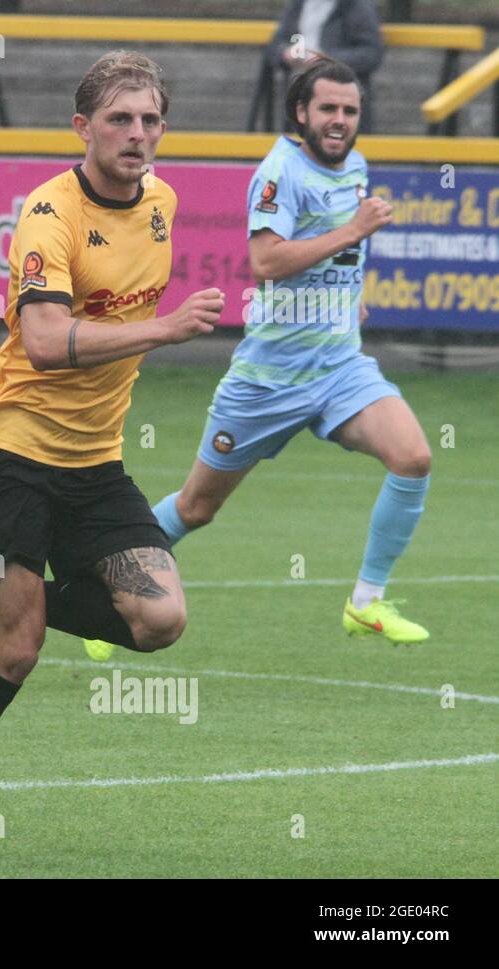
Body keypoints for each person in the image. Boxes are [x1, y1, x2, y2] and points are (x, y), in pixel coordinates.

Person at [0, 51, 224, 861]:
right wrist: (167, 328)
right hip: (8, 450)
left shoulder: (163, 202)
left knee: (160, 619)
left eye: (151, 119)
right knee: (18, 651)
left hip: (94, 463)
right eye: (120, 119)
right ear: (82, 128)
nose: (138, 134)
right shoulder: (47, 216)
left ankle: (9, 601)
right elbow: (42, 342)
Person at [150, 57, 431, 646]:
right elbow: (267, 262)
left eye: (350, 111)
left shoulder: (355, 163)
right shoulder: (280, 171)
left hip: (339, 369)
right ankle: (105, 583)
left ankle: (366, 602)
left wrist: (349, 299)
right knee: (197, 509)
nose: (339, 120)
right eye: (328, 108)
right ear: (301, 112)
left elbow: (337, 255)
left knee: (413, 458)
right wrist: (353, 231)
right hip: (269, 380)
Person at [267, 0, 383, 131]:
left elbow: (371, 54)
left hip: (339, 92)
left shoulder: (357, 5)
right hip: (299, 89)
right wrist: (286, 52)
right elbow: (276, 44)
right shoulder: (298, 4)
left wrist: (325, 60)